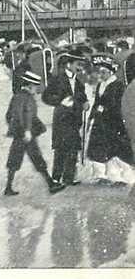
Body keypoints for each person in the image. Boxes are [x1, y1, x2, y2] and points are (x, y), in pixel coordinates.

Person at [3, 70, 66, 196]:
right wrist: (26, 130)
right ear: (29, 85)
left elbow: (9, 115)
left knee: (22, 159)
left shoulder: (20, 96)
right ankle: (50, 184)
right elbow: (20, 115)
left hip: (24, 134)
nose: (37, 90)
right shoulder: (23, 98)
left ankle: (9, 187)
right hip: (25, 134)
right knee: (29, 159)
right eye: (36, 87)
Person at [84, 55, 134, 185]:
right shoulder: (101, 85)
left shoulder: (117, 85)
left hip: (113, 122)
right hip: (100, 121)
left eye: (104, 72)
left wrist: (104, 109)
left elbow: (117, 104)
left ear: (111, 72)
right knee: (98, 148)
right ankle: (100, 174)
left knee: (115, 148)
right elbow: (97, 102)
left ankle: (122, 176)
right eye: (100, 72)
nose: (101, 74)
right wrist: (92, 116)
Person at [41, 52, 87, 186]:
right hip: (62, 118)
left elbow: (81, 95)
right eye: (77, 64)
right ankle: (56, 177)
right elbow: (46, 97)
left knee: (73, 147)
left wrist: (85, 102)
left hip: (74, 118)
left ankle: (69, 177)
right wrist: (60, 102)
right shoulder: (57, 79)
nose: (79, 67)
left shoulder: (78, 81)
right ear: (69, 65)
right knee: (61, 148)